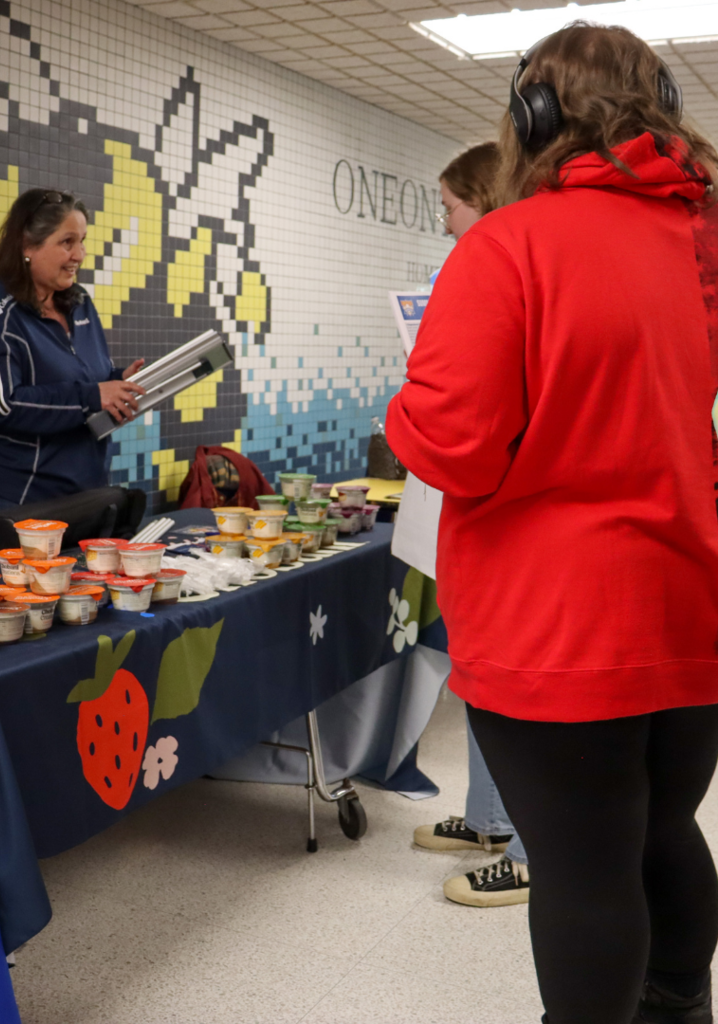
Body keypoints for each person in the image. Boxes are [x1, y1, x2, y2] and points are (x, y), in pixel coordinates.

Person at [387, 23, 718, 1024]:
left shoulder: (508, 243)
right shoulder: (700, 236)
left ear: (531, 116)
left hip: (555, 627)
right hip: (687, 604)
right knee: (665, 833)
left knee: (580, 867)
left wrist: (404, 405)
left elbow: (454, 446)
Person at [412, 142, 533, 909]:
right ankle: (492, 821)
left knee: (518, 690)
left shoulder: (512, 268)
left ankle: (528, 850)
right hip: (476, 520)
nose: (445, 221)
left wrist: (413, 407)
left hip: (515, 519)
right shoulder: (482, 269)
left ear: (483, 201)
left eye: (450, 206)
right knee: (479, 675)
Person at [0, 188, 145, 517]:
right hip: (17, 496)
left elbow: (86, 380)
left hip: (83, 490)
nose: (80, 254)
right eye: (67, 242)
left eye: (82, 240)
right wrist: (92, 396)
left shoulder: (80, 302)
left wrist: (118, 384)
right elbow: (2, 404)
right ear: (28, 246)